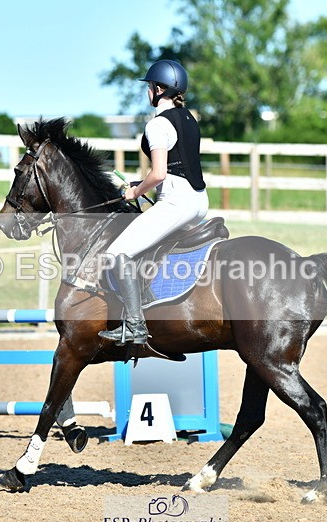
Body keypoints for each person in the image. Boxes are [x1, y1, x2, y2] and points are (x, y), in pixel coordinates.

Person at [99, 59, 209, 345]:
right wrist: (141, 183)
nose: (148, 92)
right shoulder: (188, 118)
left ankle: (135, 325)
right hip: (199, 200)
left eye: (149, 87)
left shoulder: (158, 124)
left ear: (159, 89)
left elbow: (159, 173)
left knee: (117, 253)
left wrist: (135, 193)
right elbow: (176, 166)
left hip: (177, 202)